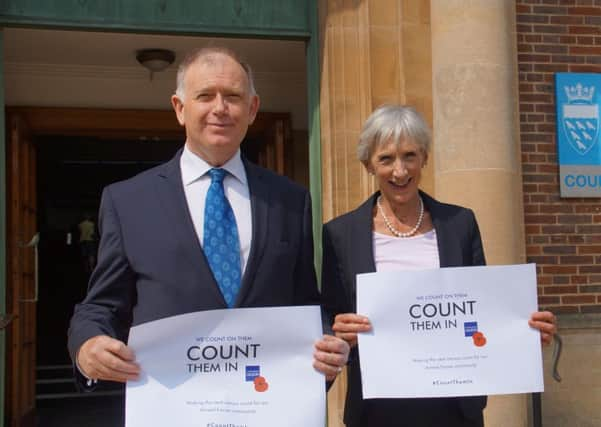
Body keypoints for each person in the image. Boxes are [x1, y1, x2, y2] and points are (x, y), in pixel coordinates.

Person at [68, 47, 349, 389]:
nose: (220, 108)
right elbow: (101, 304)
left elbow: (305, 303)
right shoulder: (128, 201)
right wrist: (87, 347)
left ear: (252, 109)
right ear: (180, 109)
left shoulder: (290, 200)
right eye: (205, 96)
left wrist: (326, 341)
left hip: (265, 402)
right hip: (173, 407)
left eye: (233, 96)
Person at [321, 105, 557, 427]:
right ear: (368, 164)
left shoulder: (460, 223)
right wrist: (339, 333)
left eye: (410, 156)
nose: (400, 171)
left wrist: (523, 331)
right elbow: (329, 321)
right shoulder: (340, 234)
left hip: (454, 408)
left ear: (425, 158)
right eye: (386, 158)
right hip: (378, 410)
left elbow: (482, 308)